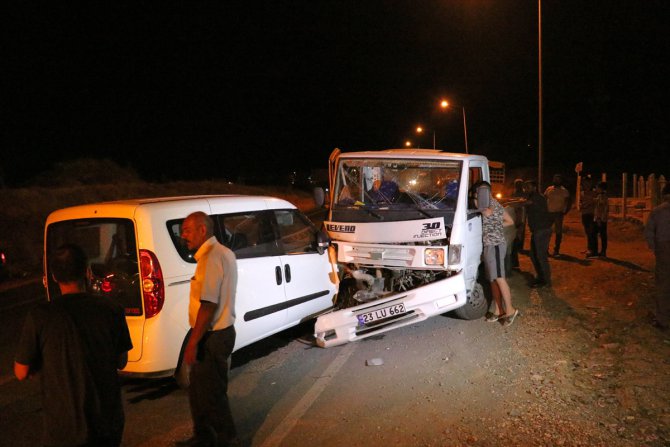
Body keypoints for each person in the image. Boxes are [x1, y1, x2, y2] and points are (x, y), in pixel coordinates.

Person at [14, 244, 132, 446]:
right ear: (87, 272)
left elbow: (21, 371)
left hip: (63, 427)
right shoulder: (111, 309)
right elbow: (121, 361)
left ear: (53, 276)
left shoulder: (41, 316)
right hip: (106, 421)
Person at [178, 211, 238, 447]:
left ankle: (228, 440)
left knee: (212, 394)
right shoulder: (224, 252)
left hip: (213, 336)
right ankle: (203, 437)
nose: (183, 236)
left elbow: (208, 304)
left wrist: (193, 342)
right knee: (198, 391)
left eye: (187, 230)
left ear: (203, 230)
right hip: (217, 334)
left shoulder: (212, 257)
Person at [475, 181, 519, 327]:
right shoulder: (494, 203)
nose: (476, 195)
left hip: (495, 246)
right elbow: (510, 221)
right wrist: (496, 224)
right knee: (492, 279)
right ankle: (499, 310)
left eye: (478, 192)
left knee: (499, 278)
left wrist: (477, 202)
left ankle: (511, 311)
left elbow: (484, 211)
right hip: (490, 245)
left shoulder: (487, 205)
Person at [644, 183, 670, 331]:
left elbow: (649, 233)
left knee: (663, 284)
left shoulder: (658, 211)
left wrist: (656, 249)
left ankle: (663, 320)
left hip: (664, 248)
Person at [523, 180, 553, 288]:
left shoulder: (537, 197)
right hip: (538, 230)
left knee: (540, 256)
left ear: (534, 187)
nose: (526, 189)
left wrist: (507, 203)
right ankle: (541, 278)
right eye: (525, 187)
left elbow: (524, 203)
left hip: (542, 230)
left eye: (528, 187)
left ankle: (546, 281)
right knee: (534, 255)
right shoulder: (533, 197)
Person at [543, 174, 572, 257]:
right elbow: (544, 199)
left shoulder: (564, 191)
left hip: (558, 213)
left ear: (561, 181)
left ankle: (556, 250)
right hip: (549, 213)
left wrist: (566, 211)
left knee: (558, 232)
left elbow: (568, 201)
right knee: (547, 232)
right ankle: (546, 249)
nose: (556, 181)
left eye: (558, 179)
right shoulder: (549, 189)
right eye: (555, 179)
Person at [509, 178, 527, 270]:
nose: (517, 185)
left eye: (519, 184)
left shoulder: (523, 194)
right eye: (517, 184)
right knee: (517, 235)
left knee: (519, 234)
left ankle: (519, 247)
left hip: (520, 215)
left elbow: (521, 206)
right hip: (515, 215)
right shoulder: (514, 193)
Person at [579, 175, 598, 257]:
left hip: (592, 214)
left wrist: (587, 204)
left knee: (592, 232)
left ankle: (593, 250)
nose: (586, 184)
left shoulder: (595, 193)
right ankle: (589, 248)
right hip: (584, 214)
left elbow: (596, 202)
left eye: (588, 182)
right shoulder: (581, 193)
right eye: (585, 182)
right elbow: (580, 203)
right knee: (587, 232)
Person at [592, 181, 609, 258]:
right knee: (596, 235)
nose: (596, 189)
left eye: (597, 187)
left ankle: (603, 252)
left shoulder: (603, 197)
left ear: (601, 188)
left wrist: (599, 219)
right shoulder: (600, 196)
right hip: (598, 218)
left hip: (601, 219)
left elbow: (603, 209)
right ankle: (598, 251)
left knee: (602, 235)